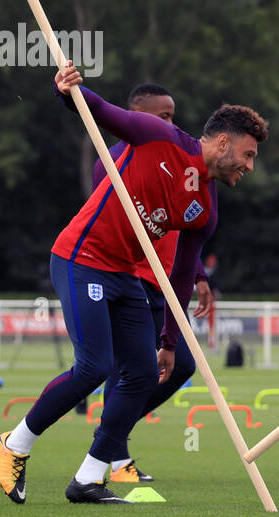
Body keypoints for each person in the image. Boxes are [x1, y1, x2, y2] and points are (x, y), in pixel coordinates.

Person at [0, 62, 266, 505]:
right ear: (222, 142)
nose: (250, 166)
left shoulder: (206, 208)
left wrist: (170, 340)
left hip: (124, 275)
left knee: (142, 375)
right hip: (80, 258)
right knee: (95, 367)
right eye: (248, 154)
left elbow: (180, 276)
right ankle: (16, 443)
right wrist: (66, 89)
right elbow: (95, 108)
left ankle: (88, 478)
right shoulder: (158, 137)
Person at [86, 83, 215, 482]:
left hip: (167, 281)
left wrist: (197, 274)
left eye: (173, 116)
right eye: (163, 118)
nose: (171, 124)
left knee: (182, 366)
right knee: (129, 368)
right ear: (136, 115)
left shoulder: (177, 160)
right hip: (130, 277)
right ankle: (114, 457)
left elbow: (181, 225)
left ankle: (110, 434)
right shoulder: (109, 161)